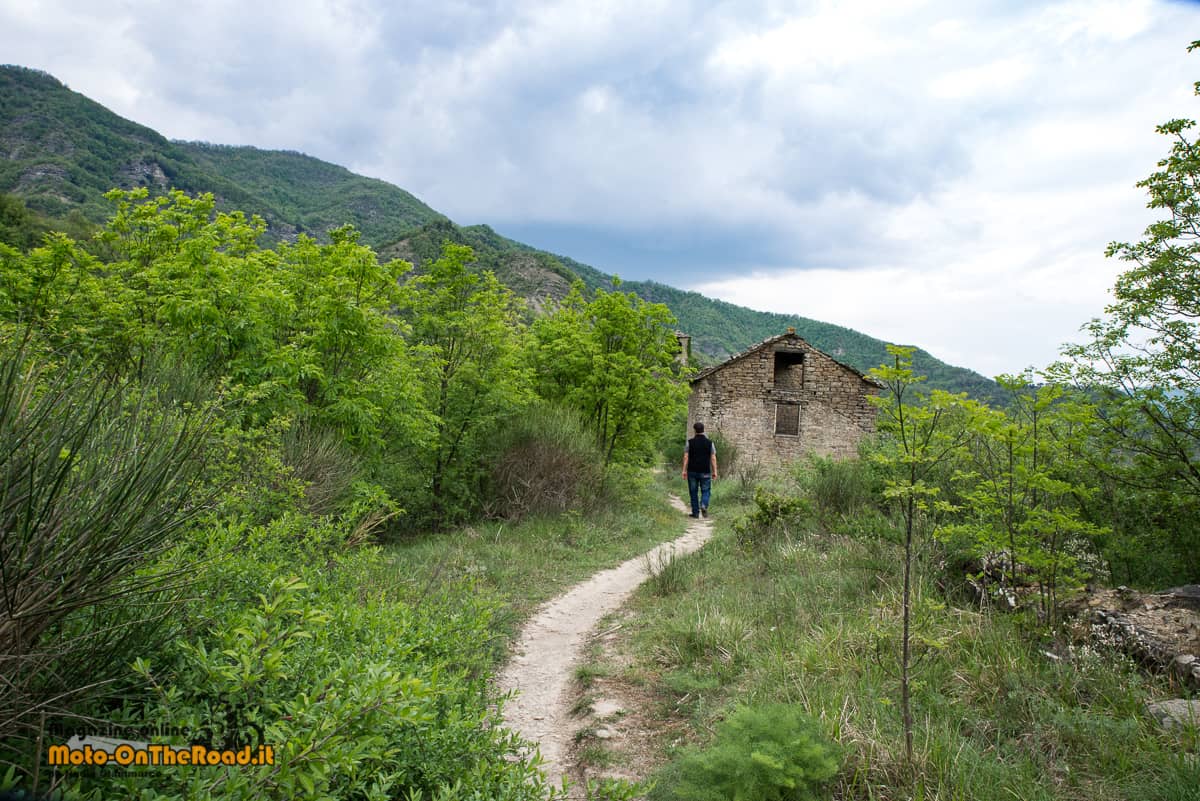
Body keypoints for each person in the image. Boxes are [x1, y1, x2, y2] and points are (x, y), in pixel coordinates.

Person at [682, 422, 718, 518]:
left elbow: (686, 457)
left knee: (693, 492)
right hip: (705, 471)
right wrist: (715, 472)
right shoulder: (710, 443)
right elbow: (713, 458)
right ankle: (704, 504)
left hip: (692, 471)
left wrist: (684, 470)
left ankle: (695, 513)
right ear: (703, 430)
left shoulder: (689, 442)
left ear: (694, 430)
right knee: (706, 491)